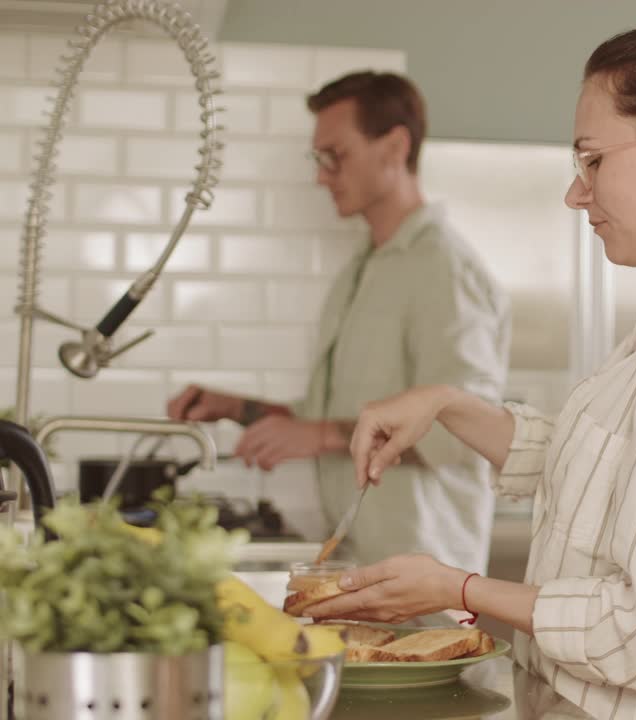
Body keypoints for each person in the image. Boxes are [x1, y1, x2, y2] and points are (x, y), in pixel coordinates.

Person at [307, 21, 636, 717]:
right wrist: (446, 403)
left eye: (592, 161)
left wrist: (455, 589)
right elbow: (594, 468)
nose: (575, 194)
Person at [166, 72, 510, 574]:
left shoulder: (446, 272)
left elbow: (463, 433)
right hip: (364, 565)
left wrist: (318, 434)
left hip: (425, 577)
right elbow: (332, 417)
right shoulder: (364, 268)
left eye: (336, 155)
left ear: (394, 147)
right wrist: (238, 407)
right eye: (319, 159)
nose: (322, 175)